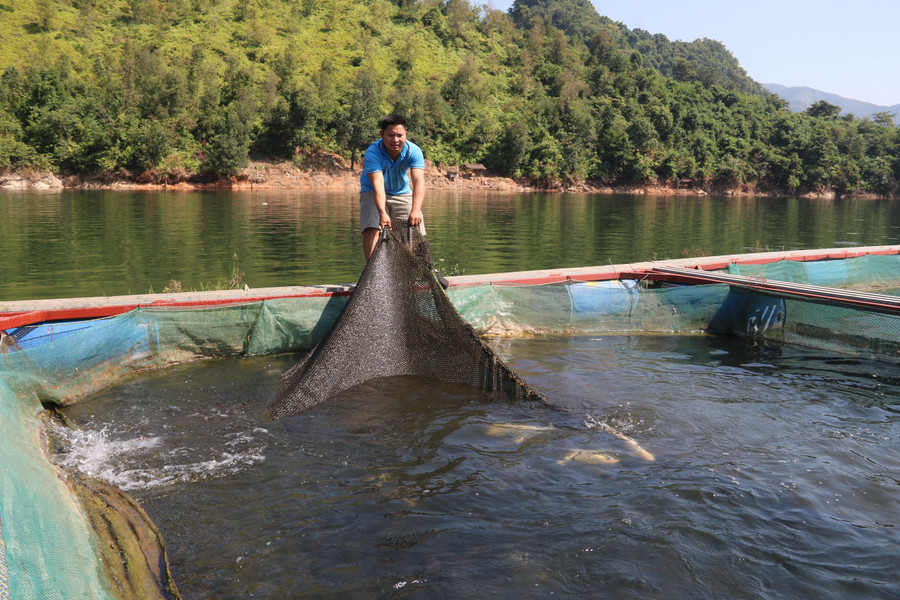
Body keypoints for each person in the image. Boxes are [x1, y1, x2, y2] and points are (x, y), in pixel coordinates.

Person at [359, 114, 426, 261]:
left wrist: (415, 210)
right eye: (390, 135)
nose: (395, 140)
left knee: (415, 227)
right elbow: (378, 184)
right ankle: (374, 273)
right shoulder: (373, 152)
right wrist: (382, 213)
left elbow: (419, 180)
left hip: (401, 191)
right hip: (372, 191)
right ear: (382, 134)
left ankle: (417, 271)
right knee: (372, 226)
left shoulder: (413, 151)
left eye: (399, 135)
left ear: (406, 135)